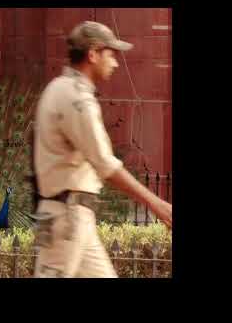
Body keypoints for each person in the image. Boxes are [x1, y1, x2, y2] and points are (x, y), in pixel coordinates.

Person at [32, 21, 172, 278]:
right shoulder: (76, 99)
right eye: (111, 54)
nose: (116, 63)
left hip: (75, 218)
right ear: (93, 54)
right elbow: (106, 165)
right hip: (67, 221)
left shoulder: (57, 89)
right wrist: (157, 204)